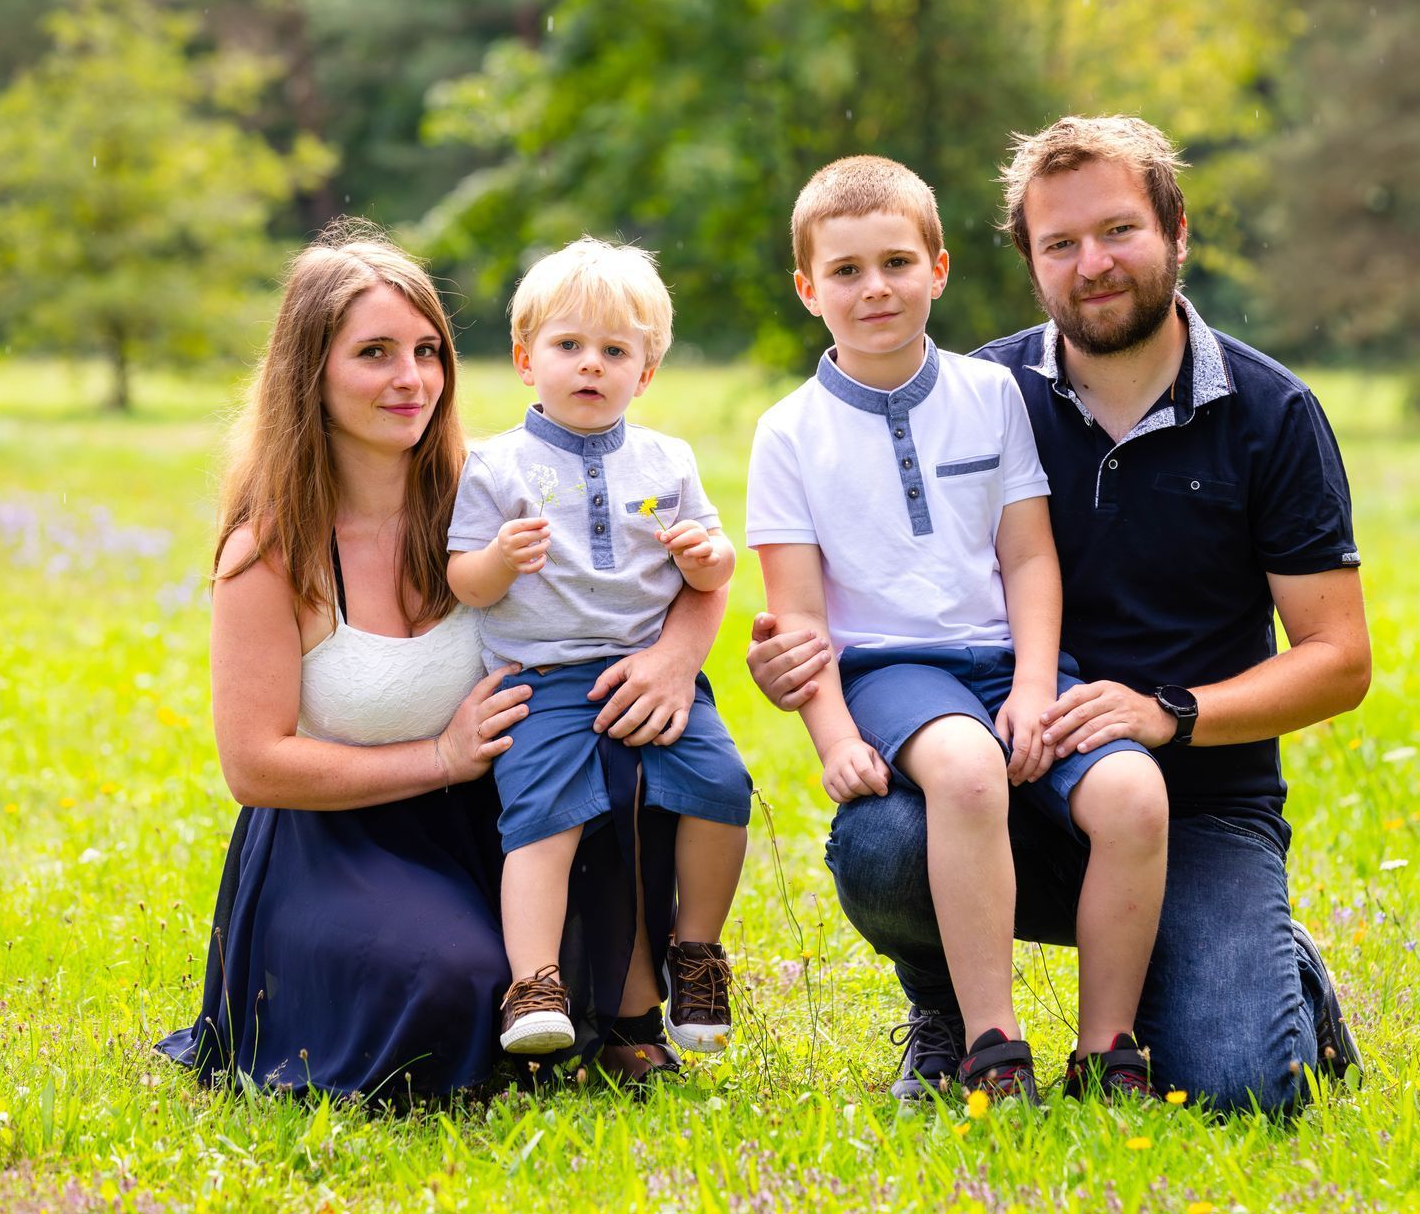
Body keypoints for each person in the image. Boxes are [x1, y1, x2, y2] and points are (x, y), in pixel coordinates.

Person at [748, 118, 1372, 1113]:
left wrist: (1170, 710)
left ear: (1176, 229)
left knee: (1237, 1088)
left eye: (1119, 230)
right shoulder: (983, 391)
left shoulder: (1269, 411)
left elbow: (1340, 660)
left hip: (1196, 799)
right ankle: (957, 1018)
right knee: (885, 843)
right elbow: (849, 575)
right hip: (999, 768)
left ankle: (1253, 951)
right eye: (1060, 243)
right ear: (1029, 261)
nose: (1094, 263)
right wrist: (798, 669)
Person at [159, 222, 716, 1098]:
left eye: (427, 350)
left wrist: (680, 656)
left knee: (633, 752)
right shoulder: (270, 550)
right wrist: (441, 756)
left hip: (500, 819)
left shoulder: (493, 489)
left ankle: (633, 1018)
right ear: (313, 371)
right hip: (339, 841)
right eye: (374, 353)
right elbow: (254, 765)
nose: (410, 379)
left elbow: (660, 569)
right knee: (455, 985)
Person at [746, 157, 1170, 1102]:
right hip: (895, 675)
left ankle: (1108, 1051)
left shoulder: (991, 396)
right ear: (809, 290)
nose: (875, 289)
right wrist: (833, 738)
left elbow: (1027, 558)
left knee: (1136, 792)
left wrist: (1031, 685)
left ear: (938, 269)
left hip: (1016, 664)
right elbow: (799, 620)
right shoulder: (789, 433)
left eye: (897, 262)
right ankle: (992, 1043)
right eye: (846, 272)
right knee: (970, 771)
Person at [447, 238, 751, 1059]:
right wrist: (498, 562)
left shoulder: (668, 460)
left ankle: (696, 953)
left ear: (644, 373)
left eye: (615, 351)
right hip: (541, 676)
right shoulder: (495, 465)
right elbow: (464, 581)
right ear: (524, 360)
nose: (592, 366)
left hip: (649, 667)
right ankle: (534, 983)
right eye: (569, 346)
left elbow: (718, 560)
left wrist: (704, 557)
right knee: (543, 820)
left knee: (722, 787)